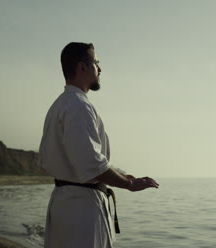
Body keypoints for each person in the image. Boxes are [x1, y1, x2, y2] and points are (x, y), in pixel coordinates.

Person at [39, 42, 159, 248]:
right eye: (96, 62)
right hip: (81, 211)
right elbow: (91, 163)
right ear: (82, 67)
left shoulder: (60, 104)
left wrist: (120, 176)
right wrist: (129, 184)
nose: (100, 68)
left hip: (67, 205)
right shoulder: (78, 106)